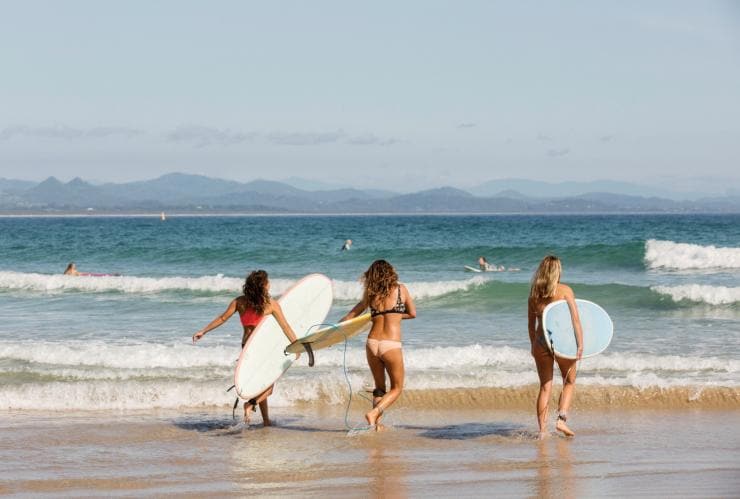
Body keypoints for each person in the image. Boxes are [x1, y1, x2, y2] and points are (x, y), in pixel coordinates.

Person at [192, 270, 300, 426]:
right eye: (268, 282)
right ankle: (251, 404)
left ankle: (266, 420)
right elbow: (286, 327)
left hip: (246, 348)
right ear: (263, 286)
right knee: (268, 388)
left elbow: (223, 318)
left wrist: (204, 330)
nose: (270, 284)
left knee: (260, 384)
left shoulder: (239, 302)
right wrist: (296, 346)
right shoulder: (271, 305)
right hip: (263, 349)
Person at [341, 260, 416, 430]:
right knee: (397, 388)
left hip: (372, 344)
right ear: (390, 272)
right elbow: (412, 313)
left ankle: (376, 424)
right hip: (391, 344)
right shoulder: (401, 289)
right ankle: (374, 414)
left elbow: (349, 317)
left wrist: (328, 336)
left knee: (379, 387)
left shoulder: (370, 295)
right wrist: (396, 315)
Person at [527, 255, 583, 439]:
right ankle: (561, 420)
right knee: (569, 381)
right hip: (561, 343)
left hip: (541, 343)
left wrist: (534, 345)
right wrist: (580, 344)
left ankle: (542, 431)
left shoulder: (534, 294)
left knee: (545, 387)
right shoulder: (565, 290)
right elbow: (575, 320)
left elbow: (531, 326)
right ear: (557, 271)